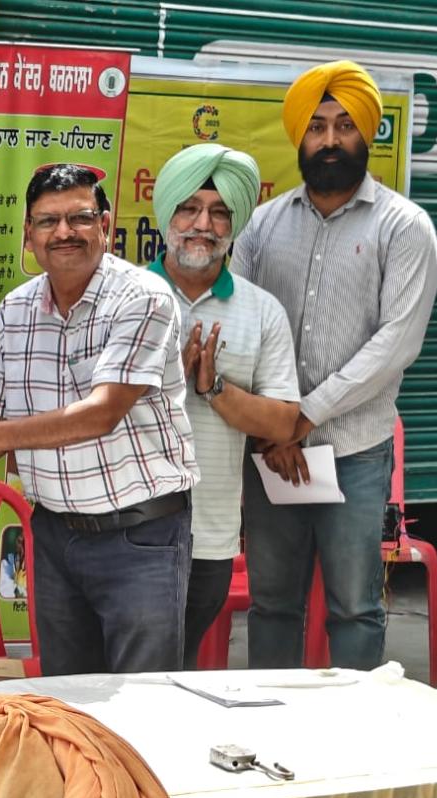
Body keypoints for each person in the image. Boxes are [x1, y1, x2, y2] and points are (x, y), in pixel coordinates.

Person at [0, 164, 198, 675]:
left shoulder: (143, 297)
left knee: (143, 698)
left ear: (105, 226)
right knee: (67, 697)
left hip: (140, 537)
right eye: (47, 221)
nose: (64, 232)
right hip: (52, 536)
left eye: (80, 218)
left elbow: (101, 414)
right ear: (28, 234)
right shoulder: (15, 311)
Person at [233, 61, 437, 670]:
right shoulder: (264, 224)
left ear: (366, 134)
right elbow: (238, 323)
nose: (329, 140)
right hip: (272, 452)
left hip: (354, 452)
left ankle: (358, 725)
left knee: (354, 608)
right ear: (299, 136)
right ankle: (269, 720)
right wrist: (272, 426)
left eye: (345, 125)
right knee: (272, 605)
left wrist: (302, 416)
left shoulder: (404, 226)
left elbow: (396, 343)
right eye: (317, 126)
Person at [148, 144, 301, 668]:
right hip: (127, 531)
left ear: (234, 226)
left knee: (177, 666)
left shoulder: (261, 311)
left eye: (218, 213)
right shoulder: (124, 296)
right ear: (166, 215)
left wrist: (214, 389)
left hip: (208, 533)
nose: (202, 225)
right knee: (118, 678)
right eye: (189, 208)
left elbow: (283, 423)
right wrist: (166, 379)